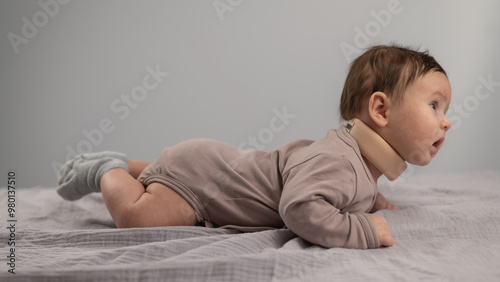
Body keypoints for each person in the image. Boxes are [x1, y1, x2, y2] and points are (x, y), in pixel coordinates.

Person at [57, 45, 451, 249]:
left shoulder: (358, 167)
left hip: (211, 167)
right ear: (380, 110)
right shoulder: (339, 162)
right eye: (434, 105)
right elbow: (299, 208)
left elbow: (344, 192)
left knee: (166, 177)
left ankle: (137, 168)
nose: (446, 120)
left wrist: (373, 202)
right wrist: (361, 229)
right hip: (202, 179)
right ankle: (107, 167)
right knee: (138, 218)